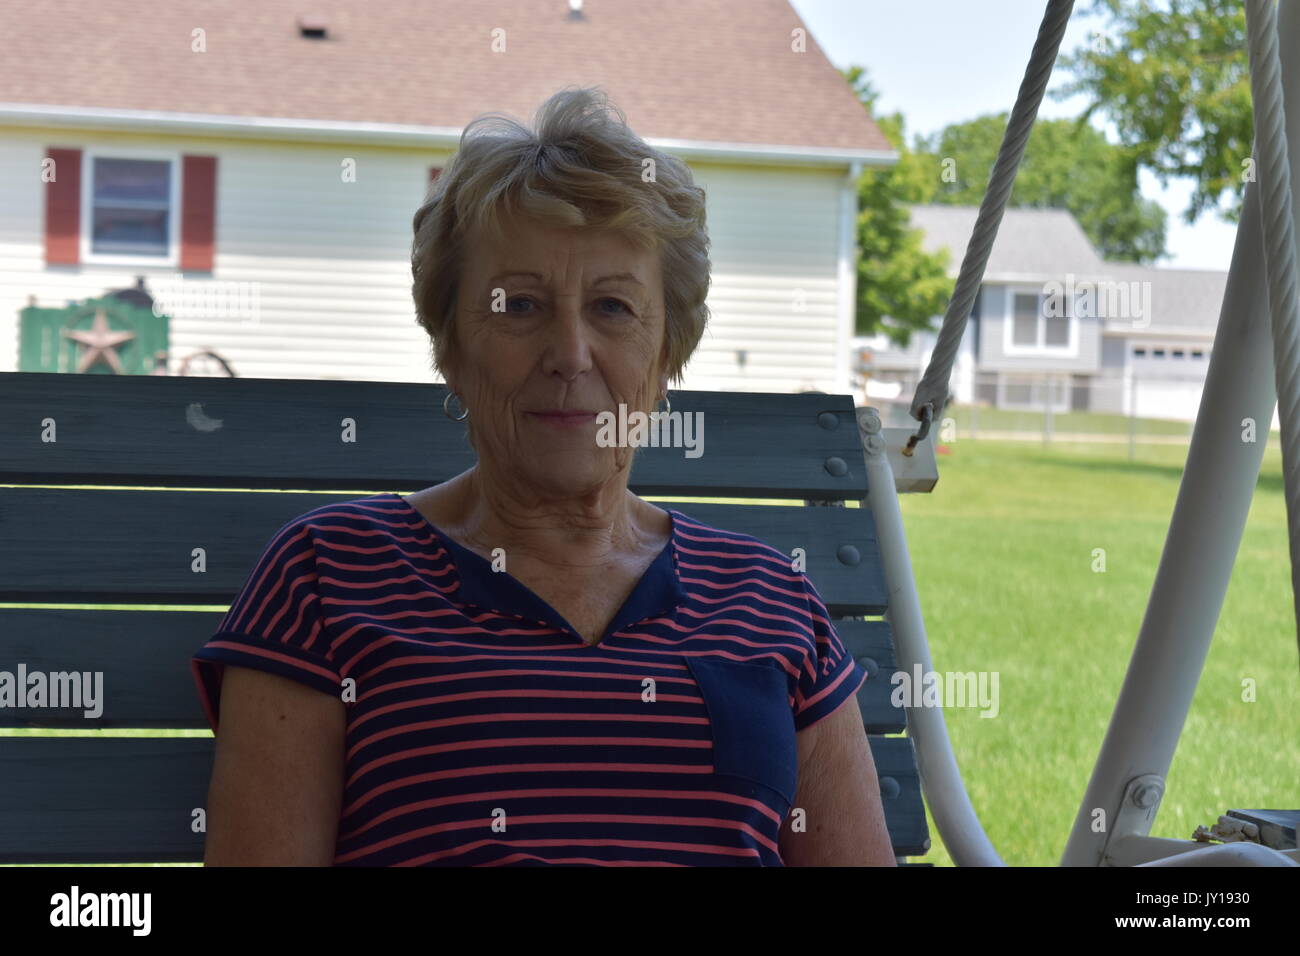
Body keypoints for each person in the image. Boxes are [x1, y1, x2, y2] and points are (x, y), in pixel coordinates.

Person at [191, 86, 895, 867]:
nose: (569, 353)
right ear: (450, 348)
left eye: (614, 308)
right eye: (518, 305)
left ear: (668, 358)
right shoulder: (328, 577)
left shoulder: (770, 602)